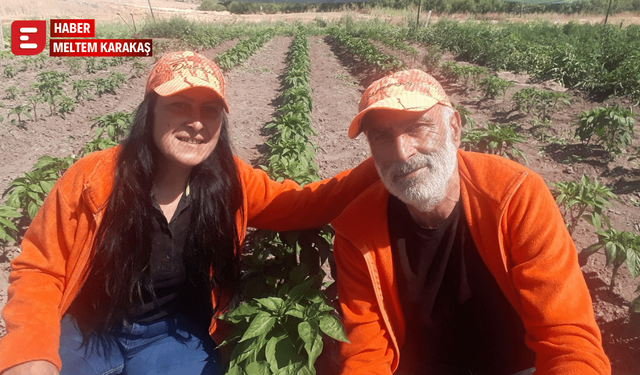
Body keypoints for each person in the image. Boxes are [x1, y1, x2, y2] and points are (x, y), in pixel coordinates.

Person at [0, 51, 377, 375]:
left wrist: (384, 161)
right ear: (150, 112)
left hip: (171, 334)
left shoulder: (232, 181)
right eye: (179, 104)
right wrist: (30, 349)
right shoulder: (93, 179)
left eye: (209, 111)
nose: (196, 122)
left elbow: (306, 204)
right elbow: (39, 267)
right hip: (87, 327)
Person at [332, 69, 611, 375]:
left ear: (454, 128)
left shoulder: (516, 196)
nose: (401, 152)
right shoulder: (356, 232)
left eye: (417, 127)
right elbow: (365, 354)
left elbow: (567, 339)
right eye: (381, 136)